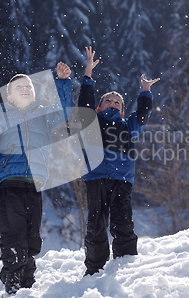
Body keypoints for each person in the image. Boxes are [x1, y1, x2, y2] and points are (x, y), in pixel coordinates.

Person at [0, 62, 72, 294]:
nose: (25, 89)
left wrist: (63, 83)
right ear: (10, 96)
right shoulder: (0, 120)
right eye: (19, 87)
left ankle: (24, 278)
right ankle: (14, 282)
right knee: (13, 233)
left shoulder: (44, 115)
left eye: (28, 86)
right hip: (11, 184)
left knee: (32, 238)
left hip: (35, 185)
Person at [78, 47, 160, 276]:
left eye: (117, 102)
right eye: (108, 101)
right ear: (99, 107)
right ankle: (94, 268)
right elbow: (84, 103)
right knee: (96, 225)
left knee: (122, 221)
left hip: (122, 179)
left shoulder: (128, 126)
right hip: (95, 177)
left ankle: (125, 265)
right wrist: (88, 74)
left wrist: (145, 91)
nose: (112, 103)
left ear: (123, 112)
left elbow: (143, 114)